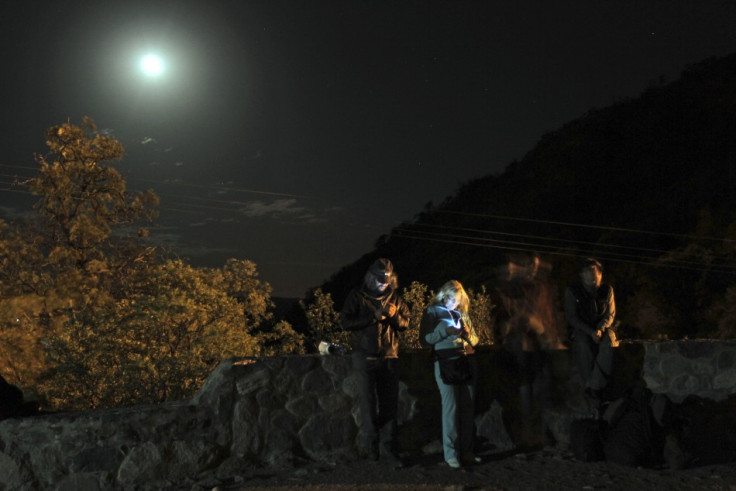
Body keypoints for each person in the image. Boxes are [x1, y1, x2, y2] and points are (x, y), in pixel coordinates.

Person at [340, 258, 410, 467]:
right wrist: (374, 317)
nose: (383, 284)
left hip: (389, 356)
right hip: (365, 357)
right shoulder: (357, 296)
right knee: (368, 406)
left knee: (389, 405)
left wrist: (394, 316)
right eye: (380, 280)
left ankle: (388, 450)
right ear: (370, 278)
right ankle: (372, 449)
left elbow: (405, 323)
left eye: (387, 280)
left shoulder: (395, 298)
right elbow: (346, 322)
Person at [495, 253, 563, 447]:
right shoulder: (514, 288)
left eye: (535, 266)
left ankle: (537, 432)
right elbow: (513, 318)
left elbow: (547, 315)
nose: (533, 269)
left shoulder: (540, 287)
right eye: (529, 265)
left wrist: (549, 334)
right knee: (526, 388)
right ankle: (528, 434)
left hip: (538, 345)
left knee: (539, 387)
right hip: (522, 346)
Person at [420, 280, 480, 469]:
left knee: (467, 407)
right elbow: (425, 340)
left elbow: (476, 340)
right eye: (454, 299)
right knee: (451, 409)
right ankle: (451, 454)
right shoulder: (432, 312)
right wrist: (444, 331)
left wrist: (467, 334)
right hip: (444, 362)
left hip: (464, 361)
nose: (456, 303)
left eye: (459, 299)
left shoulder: (462, 313)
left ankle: (467, 452)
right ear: (445, 296)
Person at [564, 258, 618, 404]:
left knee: (610, 342)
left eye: (594, 271)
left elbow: (610, 315)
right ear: (582, 274)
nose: (592, 274)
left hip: (602, 329)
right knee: (582, 343)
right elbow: (572, 317)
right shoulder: (573, 291)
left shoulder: (607, 290)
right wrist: (590, 332)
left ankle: (594, 386)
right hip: (583, 329)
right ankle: (590, 384)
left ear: (600, 273)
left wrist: (600, 330)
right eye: (587, 271)